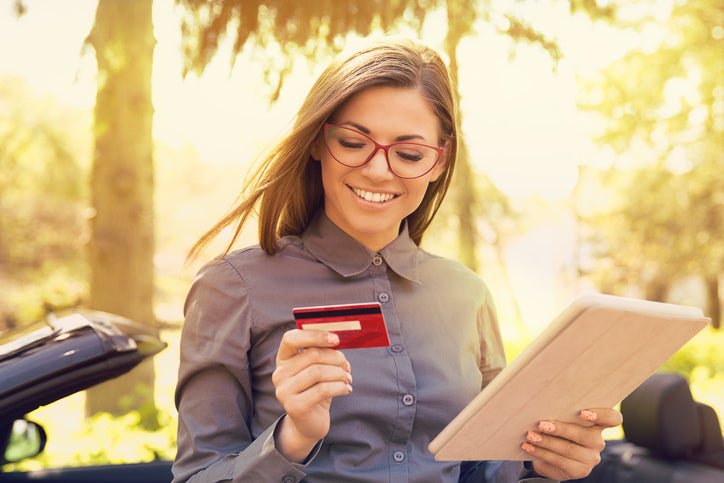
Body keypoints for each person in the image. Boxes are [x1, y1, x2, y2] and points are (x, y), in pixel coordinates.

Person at [172, 37, 622, 483]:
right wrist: (292, 438)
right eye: (352, 143)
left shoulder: (467, 295)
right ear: (316, 143)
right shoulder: (233, 288)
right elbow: (197, 476)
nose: (378, 170)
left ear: (439, 162)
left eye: (409, 154)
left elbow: (486, 471)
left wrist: (546, 462)